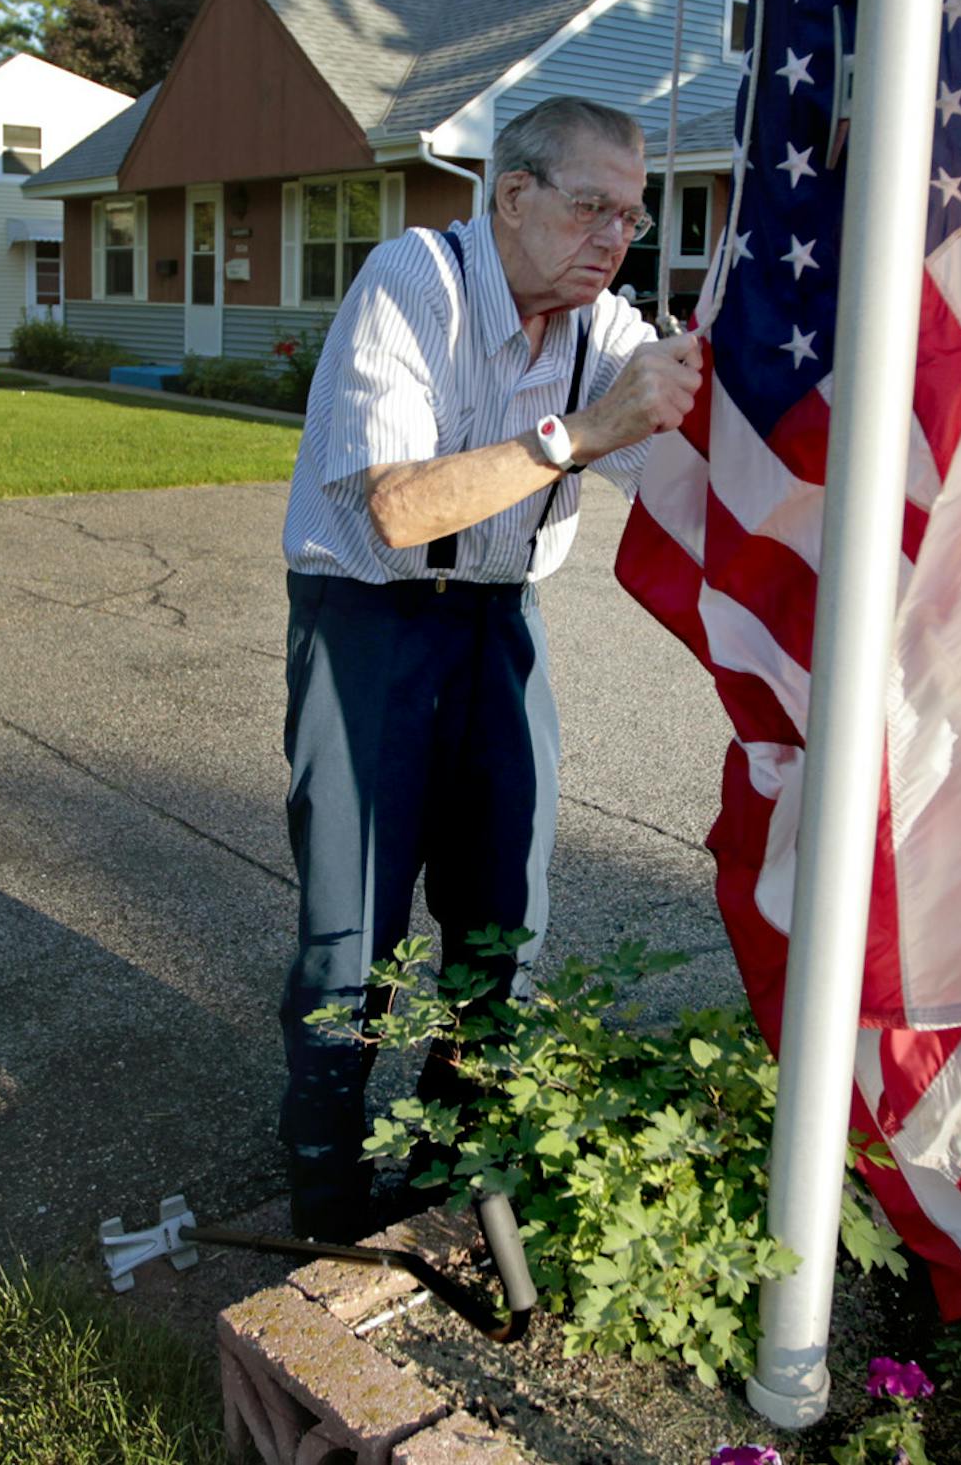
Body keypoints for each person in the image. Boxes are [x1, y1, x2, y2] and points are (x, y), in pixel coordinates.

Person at [277, 95, 705, 1237]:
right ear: (512, 195)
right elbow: (404, 505)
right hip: (369, 620)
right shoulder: (414, 279)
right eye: (591, 206)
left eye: (634, 214)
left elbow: (691, 437)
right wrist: (583, 434)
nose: (616, 237)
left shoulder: (599, 322)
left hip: (497, 618)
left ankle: (449, 1165)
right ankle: (322, 1193)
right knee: (351, 923)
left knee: (504, 915)